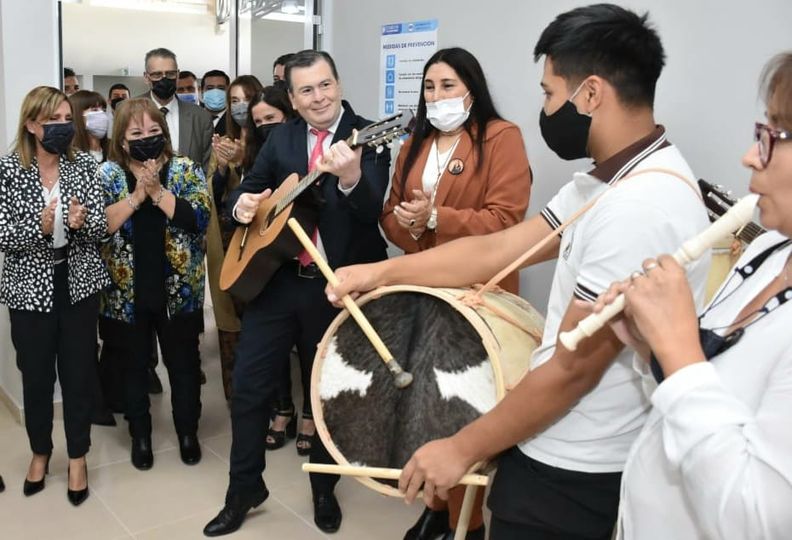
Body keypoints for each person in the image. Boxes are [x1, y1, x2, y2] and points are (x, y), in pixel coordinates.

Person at [326, 5, 712, 540]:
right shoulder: (602, 184)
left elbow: (576, 367)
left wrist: (462, 447)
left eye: (550, 93)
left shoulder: (642, 204)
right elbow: (499, 248)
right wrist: (378, 274)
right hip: (553, 441)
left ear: (592, 93)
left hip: (582, 462)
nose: (546, 106)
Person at [585, 51, 792, 540]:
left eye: (775, 135)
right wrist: (650, 346)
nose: (750, 154)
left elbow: (757, 523)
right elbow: (704, 400)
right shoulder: (766, 251)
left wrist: (677, 352)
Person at [203, 49, 391, 537]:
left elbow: (374, 214)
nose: (318, 97)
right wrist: (244, 204)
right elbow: (254, 193)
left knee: (324, 394)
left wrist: (349, 175)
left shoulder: (370, 135)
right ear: (291, 96)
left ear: (339, 83)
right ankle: (244, 488)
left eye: (325, 84)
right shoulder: (280, 136)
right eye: (306, 90)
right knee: (248, 387)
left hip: (336, 286)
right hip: (278, 282)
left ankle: (324, 487)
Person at [381, 46, 532, 539]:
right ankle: (437, 505)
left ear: (472, 88)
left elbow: (506, 221)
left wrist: (436, 218)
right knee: (427, 401)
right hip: (424, 292)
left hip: (478, 295)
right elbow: (390, 216)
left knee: (468, 406)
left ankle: (465, 521)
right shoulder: (413, 143)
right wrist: (410, 223)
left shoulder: (500, 137)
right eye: (429, 87)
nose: (437, 96)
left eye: (447, 86)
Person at [0, 86, 109, 506]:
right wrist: (40, 229)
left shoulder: (84, 165)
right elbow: (4, 235)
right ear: (31, 125)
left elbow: (101, 226)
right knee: (37, 376)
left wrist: (82, 223)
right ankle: (41, 452)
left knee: (80, 374)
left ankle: (78, 455)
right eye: (53, 121)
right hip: (29, 293)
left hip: (78, 286)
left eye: (68, 119)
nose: (64, 127)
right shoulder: (8, 170)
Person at [97, 97, 210, 471]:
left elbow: (198, 220)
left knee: (184, 367)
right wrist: (136, 196)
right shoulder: (109, 174)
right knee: (132, 367)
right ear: (122, 140)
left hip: (178, 292)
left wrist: (159, 192)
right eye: (137, 133)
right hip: (124, 294)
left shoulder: (185, 168)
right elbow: (101, 228)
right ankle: (140, 435)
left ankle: (187, 432)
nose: (147, 138)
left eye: (154, 131)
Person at [205, 74, 264, 401]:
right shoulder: (222, 139)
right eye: (235, 101)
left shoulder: (270, 139)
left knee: (260, 320)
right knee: (231, 319)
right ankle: (237, 395)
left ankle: (270, 399)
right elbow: (212, 193)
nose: (241, 107)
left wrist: (244, 161)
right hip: (228, 241)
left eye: (247, 99)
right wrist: (225, 167)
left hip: (261, 242)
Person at [140, 48, 213, 173]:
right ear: (146, 77)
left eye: (170, 74)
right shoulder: (128, 111)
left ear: (178, 75)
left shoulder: (201, 117)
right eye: (157, 75)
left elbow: (207, 168)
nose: (164, 79)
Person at [70, 90, 110, 164]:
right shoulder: (70, 155)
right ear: (77, 115)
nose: (102, 114)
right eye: (95, 110)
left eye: (103, 110)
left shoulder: (114, 149)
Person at [201, 69, 231, 136]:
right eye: (210, 88)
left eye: (221, 88)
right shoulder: (192, 116)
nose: (215, 92)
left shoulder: (236, 121)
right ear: (202, 91)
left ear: (229, 91)